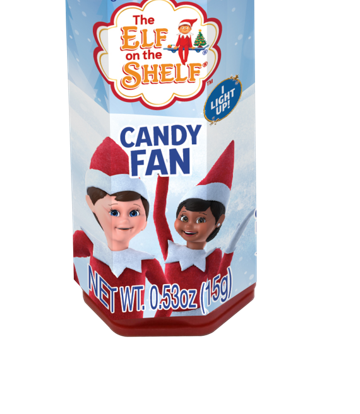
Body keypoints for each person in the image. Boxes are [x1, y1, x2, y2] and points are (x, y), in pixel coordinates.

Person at [72, 136, 165, 325]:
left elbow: (168, 296)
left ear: (144, 220)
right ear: (91, 204)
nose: (124, 220)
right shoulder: (89, 242)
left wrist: (152, 326)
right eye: (114, 211)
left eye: (134, 212)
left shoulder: (147, 261)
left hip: (133, 331)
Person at [153, 142, 253, 317]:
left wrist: (229, 251)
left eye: (200, 220)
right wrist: (164, 172)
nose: (189, 225)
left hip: (195, 317)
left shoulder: (210, 258)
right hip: (165, 314)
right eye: (184, 218)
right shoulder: (171, 250)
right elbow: (158, 215)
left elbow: (217, 284)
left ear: (219, 222)